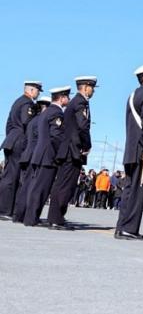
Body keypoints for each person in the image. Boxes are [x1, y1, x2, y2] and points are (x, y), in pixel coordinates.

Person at [48, 76, 96, 229]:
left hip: (67, 149)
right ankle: (57, 218)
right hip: (72, 150)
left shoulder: (74, 102)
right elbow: (83, 126)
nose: (93, 90)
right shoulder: (81, 102)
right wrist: (87, 145)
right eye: (92, 87)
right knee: (66, 185)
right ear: (86, 87)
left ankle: (56, 217)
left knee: (62, 183)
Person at [24, 86, 71, 227]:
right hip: (48, 156)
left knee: (36, 187)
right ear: (62, 98)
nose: (68, 99)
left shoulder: (47, 111)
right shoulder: (56, 113)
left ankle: (31, 217)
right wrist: (61, 154)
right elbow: (56, 136)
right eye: (67, 97)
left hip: (40, 154)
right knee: (41, 189)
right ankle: (31, 218)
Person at [0, 80, 42, 220]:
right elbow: (27, 122)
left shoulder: (18, 101)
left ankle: (6, 209)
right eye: (37, 90)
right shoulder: (26, 103)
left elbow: (8, 124)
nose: (38, 93)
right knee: (12, 176)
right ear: (30, 90)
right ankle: (5, 210)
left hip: (13, 140)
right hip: (19, 141)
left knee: (10, 175)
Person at [12, 96, 50, 223]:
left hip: (27, 155)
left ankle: (19, 215)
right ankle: (26, 215)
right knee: (31, 187)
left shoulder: (33, 120)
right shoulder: (42, 121)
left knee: (25, 186)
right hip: (34, 157)